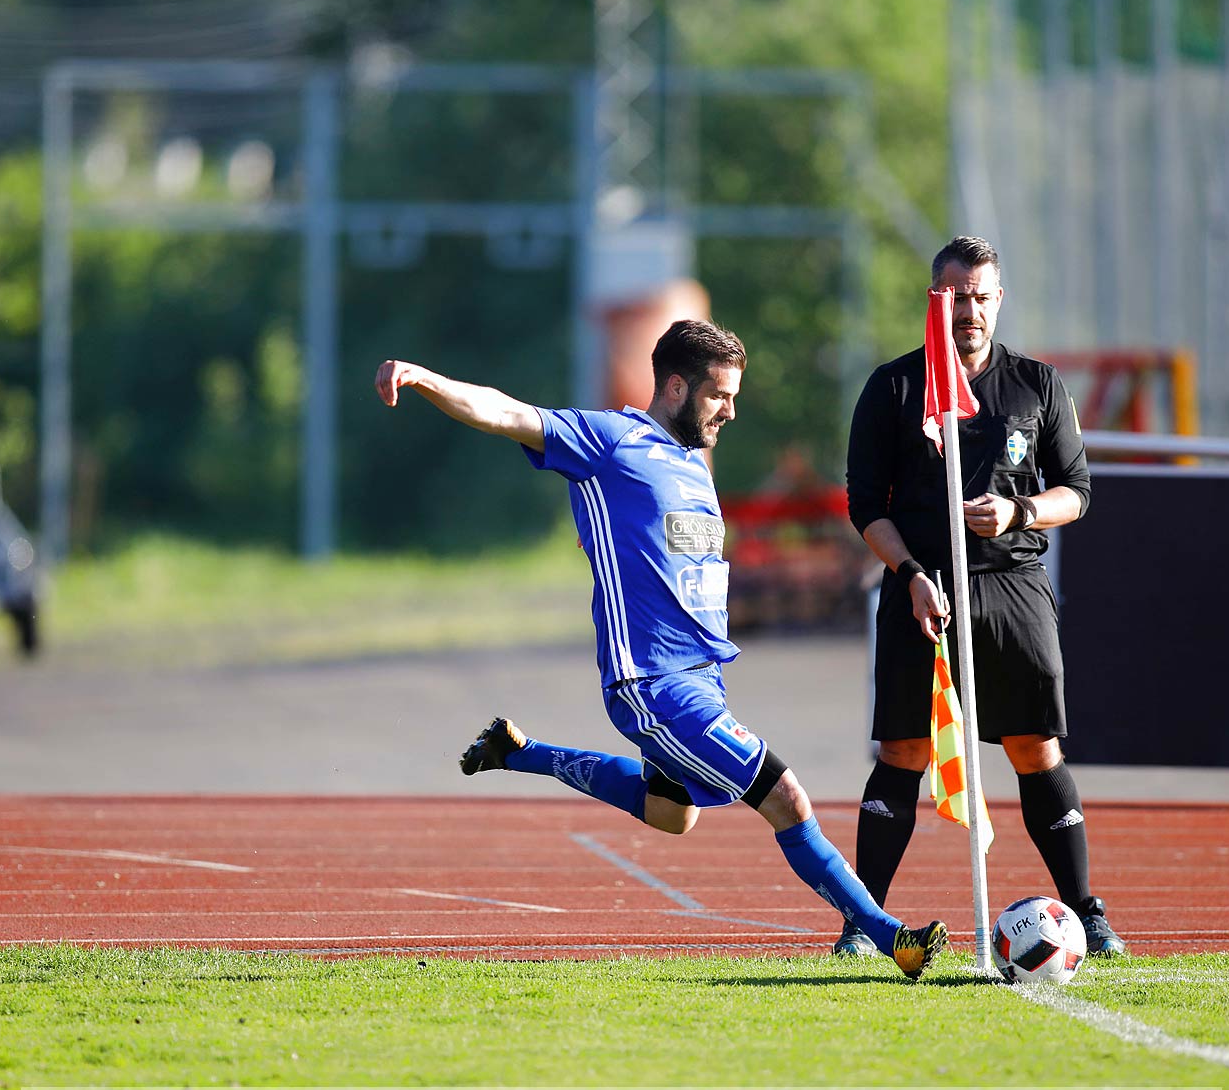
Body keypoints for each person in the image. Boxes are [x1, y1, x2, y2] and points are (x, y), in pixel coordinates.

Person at [375, 318, 949, 978]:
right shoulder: (613, 442)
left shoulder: (692, 464)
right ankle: (888, 938)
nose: (731, 410)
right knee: (785, 798)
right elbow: (507, 413)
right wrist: (423, 379)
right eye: (720, 395)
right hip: (652, 683)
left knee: (672, 814)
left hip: (702, 679)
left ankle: (519, 752)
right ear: (676, 387)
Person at [834, 236, 1128, 960]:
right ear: (937, 299)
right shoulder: (895, 388)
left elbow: (1077, 493)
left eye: (982, 295)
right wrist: (909, 574)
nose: (970, 309)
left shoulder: (1037, 384)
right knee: (904, 750)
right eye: (956, 294)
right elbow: (866, 504)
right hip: (921, 592)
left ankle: (1086, 913)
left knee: (1034, 747)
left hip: (1013, 589)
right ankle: (864, 926)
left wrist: (1020, 513)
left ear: (999, 301)